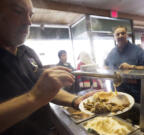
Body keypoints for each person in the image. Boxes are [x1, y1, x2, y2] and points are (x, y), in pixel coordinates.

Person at [0, 0, 94, 135]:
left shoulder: (28, 53)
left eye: (30, 15)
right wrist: (34, 97)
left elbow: (47, 91)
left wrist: (75, 100)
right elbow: (38, 95)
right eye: (18, 11)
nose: (28, 22)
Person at [105, 25, 144, 103]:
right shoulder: (111, 52)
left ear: (127, 35)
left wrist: (131, 67)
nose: (120, 36)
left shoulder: (137, 50)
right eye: (117, 34)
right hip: (117, 93)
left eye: (123, 33)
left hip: (135, 93)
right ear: (114, 37)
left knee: (136, 113)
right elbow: (106, 65)